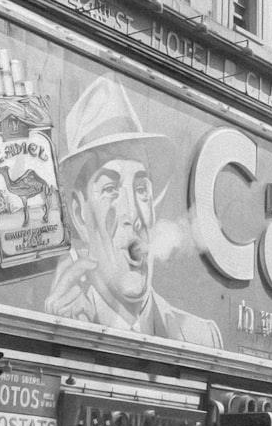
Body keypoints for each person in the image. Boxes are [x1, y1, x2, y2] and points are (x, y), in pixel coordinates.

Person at [45, 77, 223, 348]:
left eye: (141, 188)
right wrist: (58, 337)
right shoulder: (61, 317)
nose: (134, 215)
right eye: (111, 189)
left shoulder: (202, 337)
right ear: (80, 214)